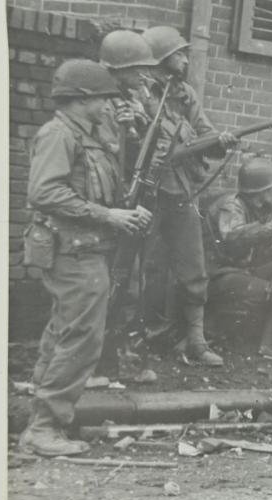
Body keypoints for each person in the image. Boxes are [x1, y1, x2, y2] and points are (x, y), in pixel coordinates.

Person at [19, 59, 153, 456]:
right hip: (73, 251)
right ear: (81, 98)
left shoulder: (89, 136)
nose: (107, 105)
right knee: (82, 339)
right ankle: (44, 428)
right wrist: (108, 216)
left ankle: (41, 420)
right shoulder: (59, 134)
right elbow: (44, 192)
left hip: (87, 248)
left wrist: (123, 210)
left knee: (64, 332)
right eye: (101, 98)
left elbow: (97, 187)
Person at [139, 25, 239, 366]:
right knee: (146, 267)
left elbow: (206, 132)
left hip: (182, 190)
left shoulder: (185, 95)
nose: (185, 60)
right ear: (162, 58)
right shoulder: (141, 93)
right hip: (148, 193)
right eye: (179, 54)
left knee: (194, 267)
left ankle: (195, 341)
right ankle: (142, 340)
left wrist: (218, 142)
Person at [91, 29, 159, 382]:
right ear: (119, 69)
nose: (144, 76)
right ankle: (95, 365)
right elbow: (104, 156)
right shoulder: (100, 105)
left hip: (127, 201)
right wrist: (124, 132)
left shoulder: (132, 102)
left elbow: (139, 155)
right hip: (104, 207)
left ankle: (120, 362)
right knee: (106, 287)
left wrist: (141, 125)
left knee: (128, 284)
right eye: (138, 69)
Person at [203, 157, 272, 358]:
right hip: (217, 276)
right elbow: (233, 237)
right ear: (260, 190)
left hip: (241, 272)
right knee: (267, 291)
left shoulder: (261, 211)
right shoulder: (231, 206)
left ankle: (266, 338)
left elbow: (266, 247)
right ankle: (225, 331)